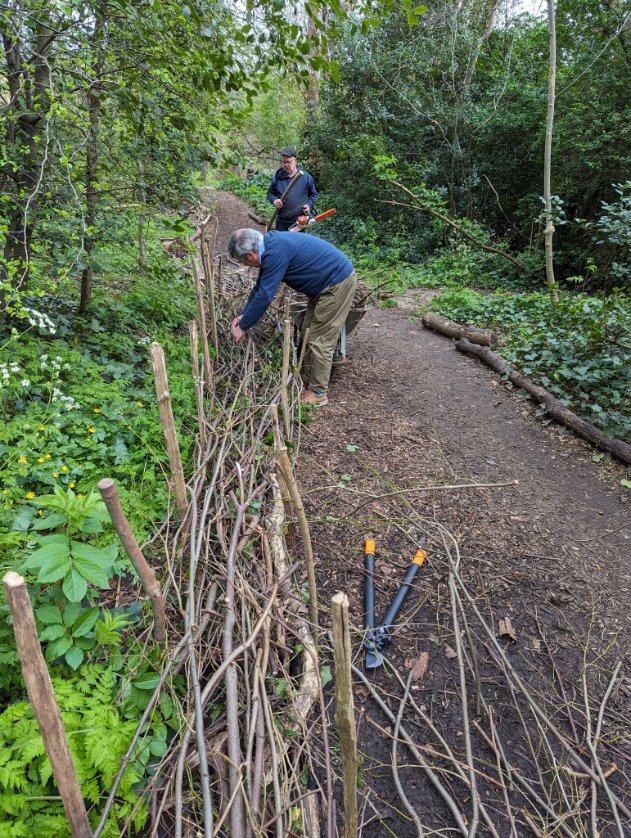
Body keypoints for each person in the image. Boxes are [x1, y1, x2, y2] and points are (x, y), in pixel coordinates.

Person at [228, 228, 356, 407]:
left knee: (320, 339)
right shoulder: (269, 247)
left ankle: (319, 392)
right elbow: (259, 289)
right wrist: (243, 316)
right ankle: (308, 380)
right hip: (323, 287)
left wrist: (243, 327)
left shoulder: (274, 254)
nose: (245, 265)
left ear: (250, 255)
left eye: (243, 261)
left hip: (336, 283)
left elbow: (265, 296)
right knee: (309, 330)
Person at [267, 146, 318, 232]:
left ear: (295, 161)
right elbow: (270, 194)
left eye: (289, 162)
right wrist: (275, 201)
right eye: (284, 162)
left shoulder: (305, 177)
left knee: (297, 245)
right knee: (282, 244)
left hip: (299, 223)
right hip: (282, 222)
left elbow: (313, 194)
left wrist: (308, 205)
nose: (286, 165)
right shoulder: (278, 177)